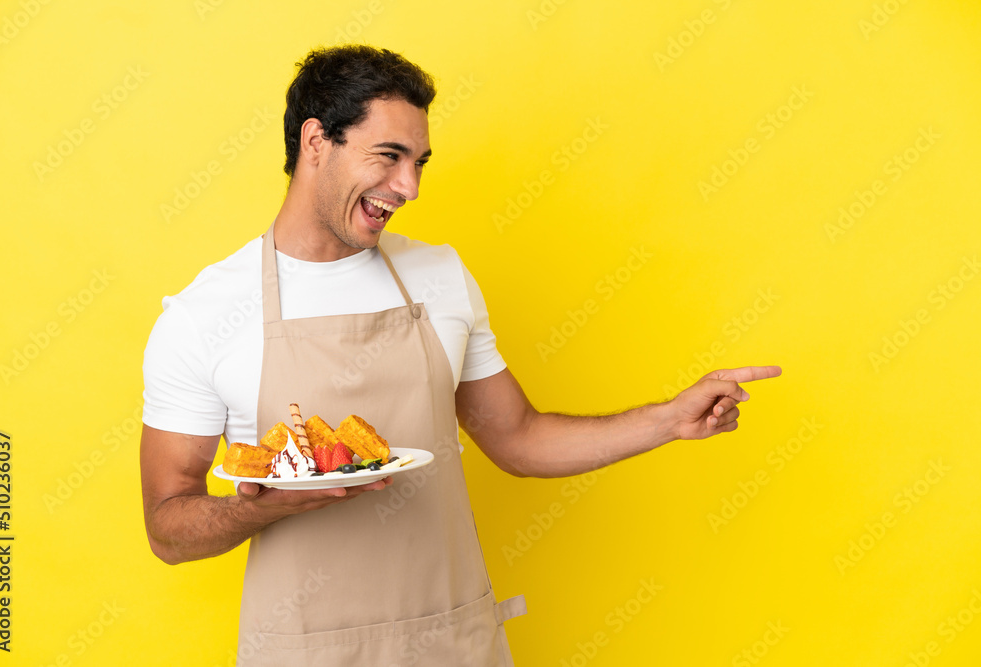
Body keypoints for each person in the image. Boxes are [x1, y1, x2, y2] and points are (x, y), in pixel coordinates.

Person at [139, 45, 781, 666]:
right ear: (315, 142)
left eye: (419, 161)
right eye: (389, 156)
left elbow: (519, 439)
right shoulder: (205, 315)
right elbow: (167, 528)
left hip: (452, 641)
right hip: (304, 652)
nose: (409, 186)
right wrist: (257, 507)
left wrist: (670, 419)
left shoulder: (439, 277)